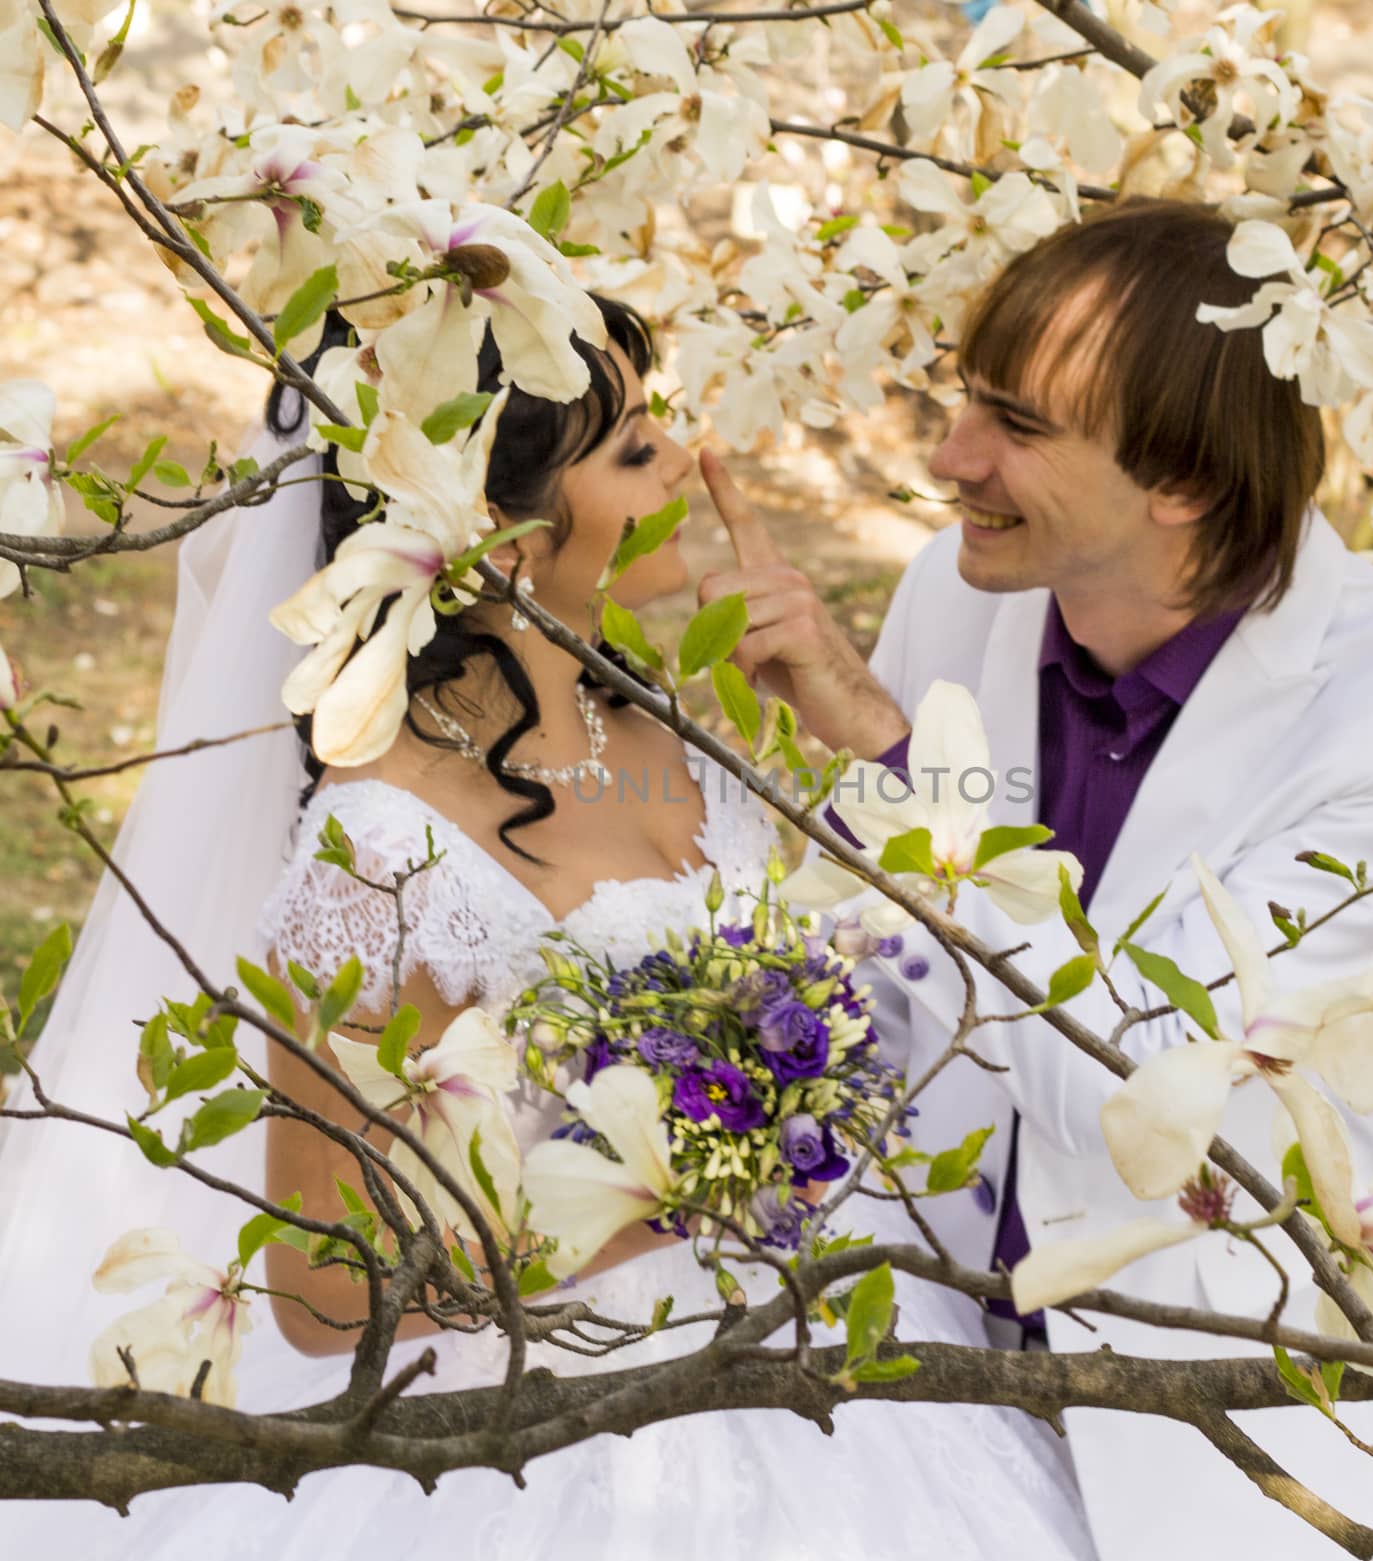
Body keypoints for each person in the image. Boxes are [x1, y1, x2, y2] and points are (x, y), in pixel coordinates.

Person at [0, 299, 1098, 1560]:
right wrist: (684, 1186)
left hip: (837, 1367)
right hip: (551, 1436)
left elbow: (910, 966)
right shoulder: (385, 843)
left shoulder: (677, 732)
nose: (688, 462)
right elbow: (323, 1294)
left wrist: (848, 718)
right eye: (634, 450)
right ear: (503, 541)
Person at [695, 198, 1373, 1559]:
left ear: (1185, 481)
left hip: (1202, 1418)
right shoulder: (957, 593)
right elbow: (895, 978)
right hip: (917, 1345)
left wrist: (899, 768)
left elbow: (1149, 1095)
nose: (952, 458)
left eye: (1019, 429)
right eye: (971, 403)